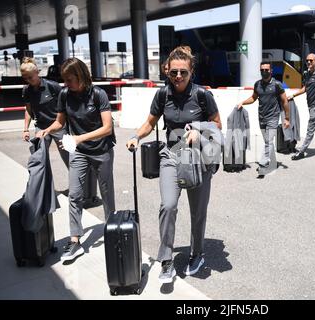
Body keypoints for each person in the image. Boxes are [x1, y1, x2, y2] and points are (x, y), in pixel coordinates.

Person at [126, 48, 222, 283]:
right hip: (171, 155)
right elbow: (150, 123)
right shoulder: (162, 95)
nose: (178, 76)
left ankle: (197, 253)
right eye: (174, 72)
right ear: (167, 71)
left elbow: (217, 124)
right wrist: (136, 137)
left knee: (198, 212)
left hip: (198, 159)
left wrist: (199, 130)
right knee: (168, 205)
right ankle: (166, 259)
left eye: (183, 72)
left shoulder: (202, 95)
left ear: (191, 72)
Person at [37, 58, 116, 262]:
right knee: (75, 194)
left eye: (70, 79)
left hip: (101, 150)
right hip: (79, 152)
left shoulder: (98, 94)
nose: (66, 84)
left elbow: (107, 127)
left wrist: (79, 137)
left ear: (81, 76)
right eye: (64, 80)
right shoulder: (64, 94)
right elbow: (59, 122)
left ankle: (111, 230)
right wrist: (46, 130)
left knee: (107, 194)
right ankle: (75, 241)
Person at [237, 61, 290, 178]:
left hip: (273, 117)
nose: (264, 72)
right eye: (262, 70)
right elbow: (253, 98)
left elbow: (284, 101)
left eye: (266, 70)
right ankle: (271, 162)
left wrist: (287, 118)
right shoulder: (257, 85)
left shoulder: (277, 85)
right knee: (267, 142)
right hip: (261, 117)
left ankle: (262, 164)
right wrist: (242, 103)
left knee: (269, 142)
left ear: (271, 71)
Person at [20, 57, 69, 168]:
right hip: (41, 128)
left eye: (30, 77)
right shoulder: (26, 90)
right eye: (25, 78)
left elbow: (66, 106)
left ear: (37, 72)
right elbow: (28, 110)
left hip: (59, 126)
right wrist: (25, 130)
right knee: (39, 159)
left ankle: (78, 184)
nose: (28, 80)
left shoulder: (53, 86)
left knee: (69, 158)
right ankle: (44, 185)